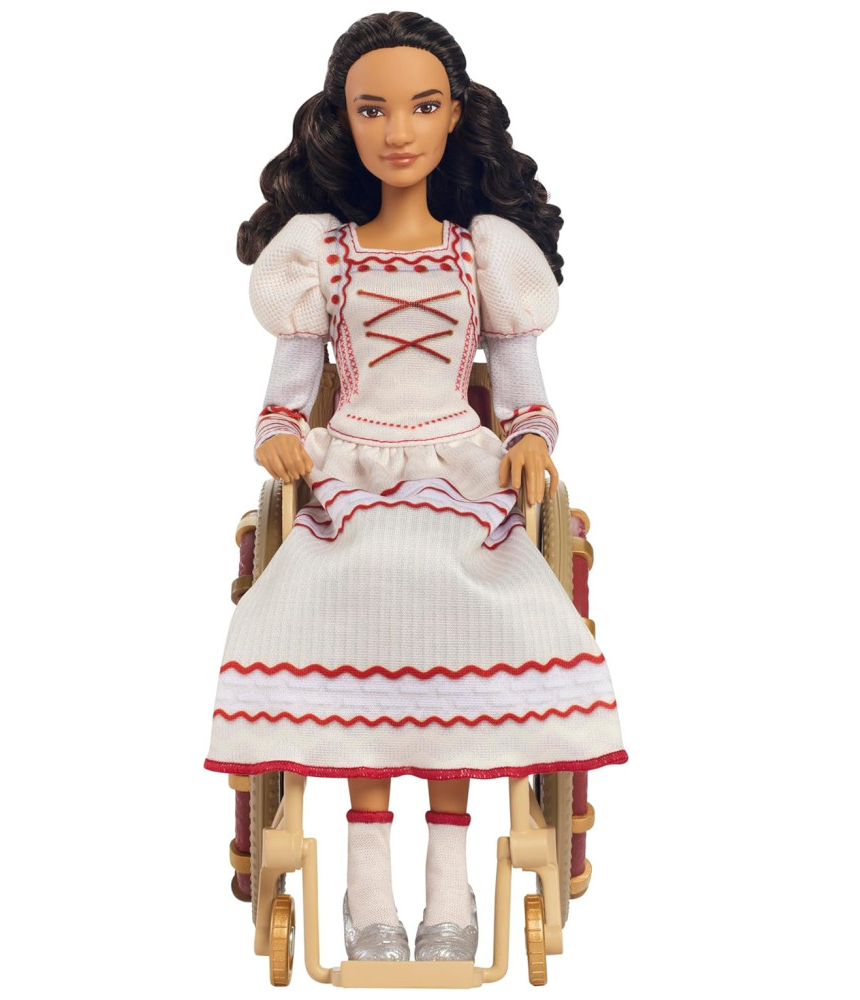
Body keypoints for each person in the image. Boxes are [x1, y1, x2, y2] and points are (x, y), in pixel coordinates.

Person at [205, 11, 627, 963]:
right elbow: (281, 403)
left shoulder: (485, 253)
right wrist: (281, 440)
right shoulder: (324, 255)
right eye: (374, 110)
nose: (398, 131)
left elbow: (525, 397)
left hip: (456, 463)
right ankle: (369, 896)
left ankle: (448, 891)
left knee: (461, 593)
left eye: (422, 107)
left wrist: (529, 440)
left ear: (455, 116)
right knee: (359, 582)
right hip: (356, 462)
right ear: (342, 120)